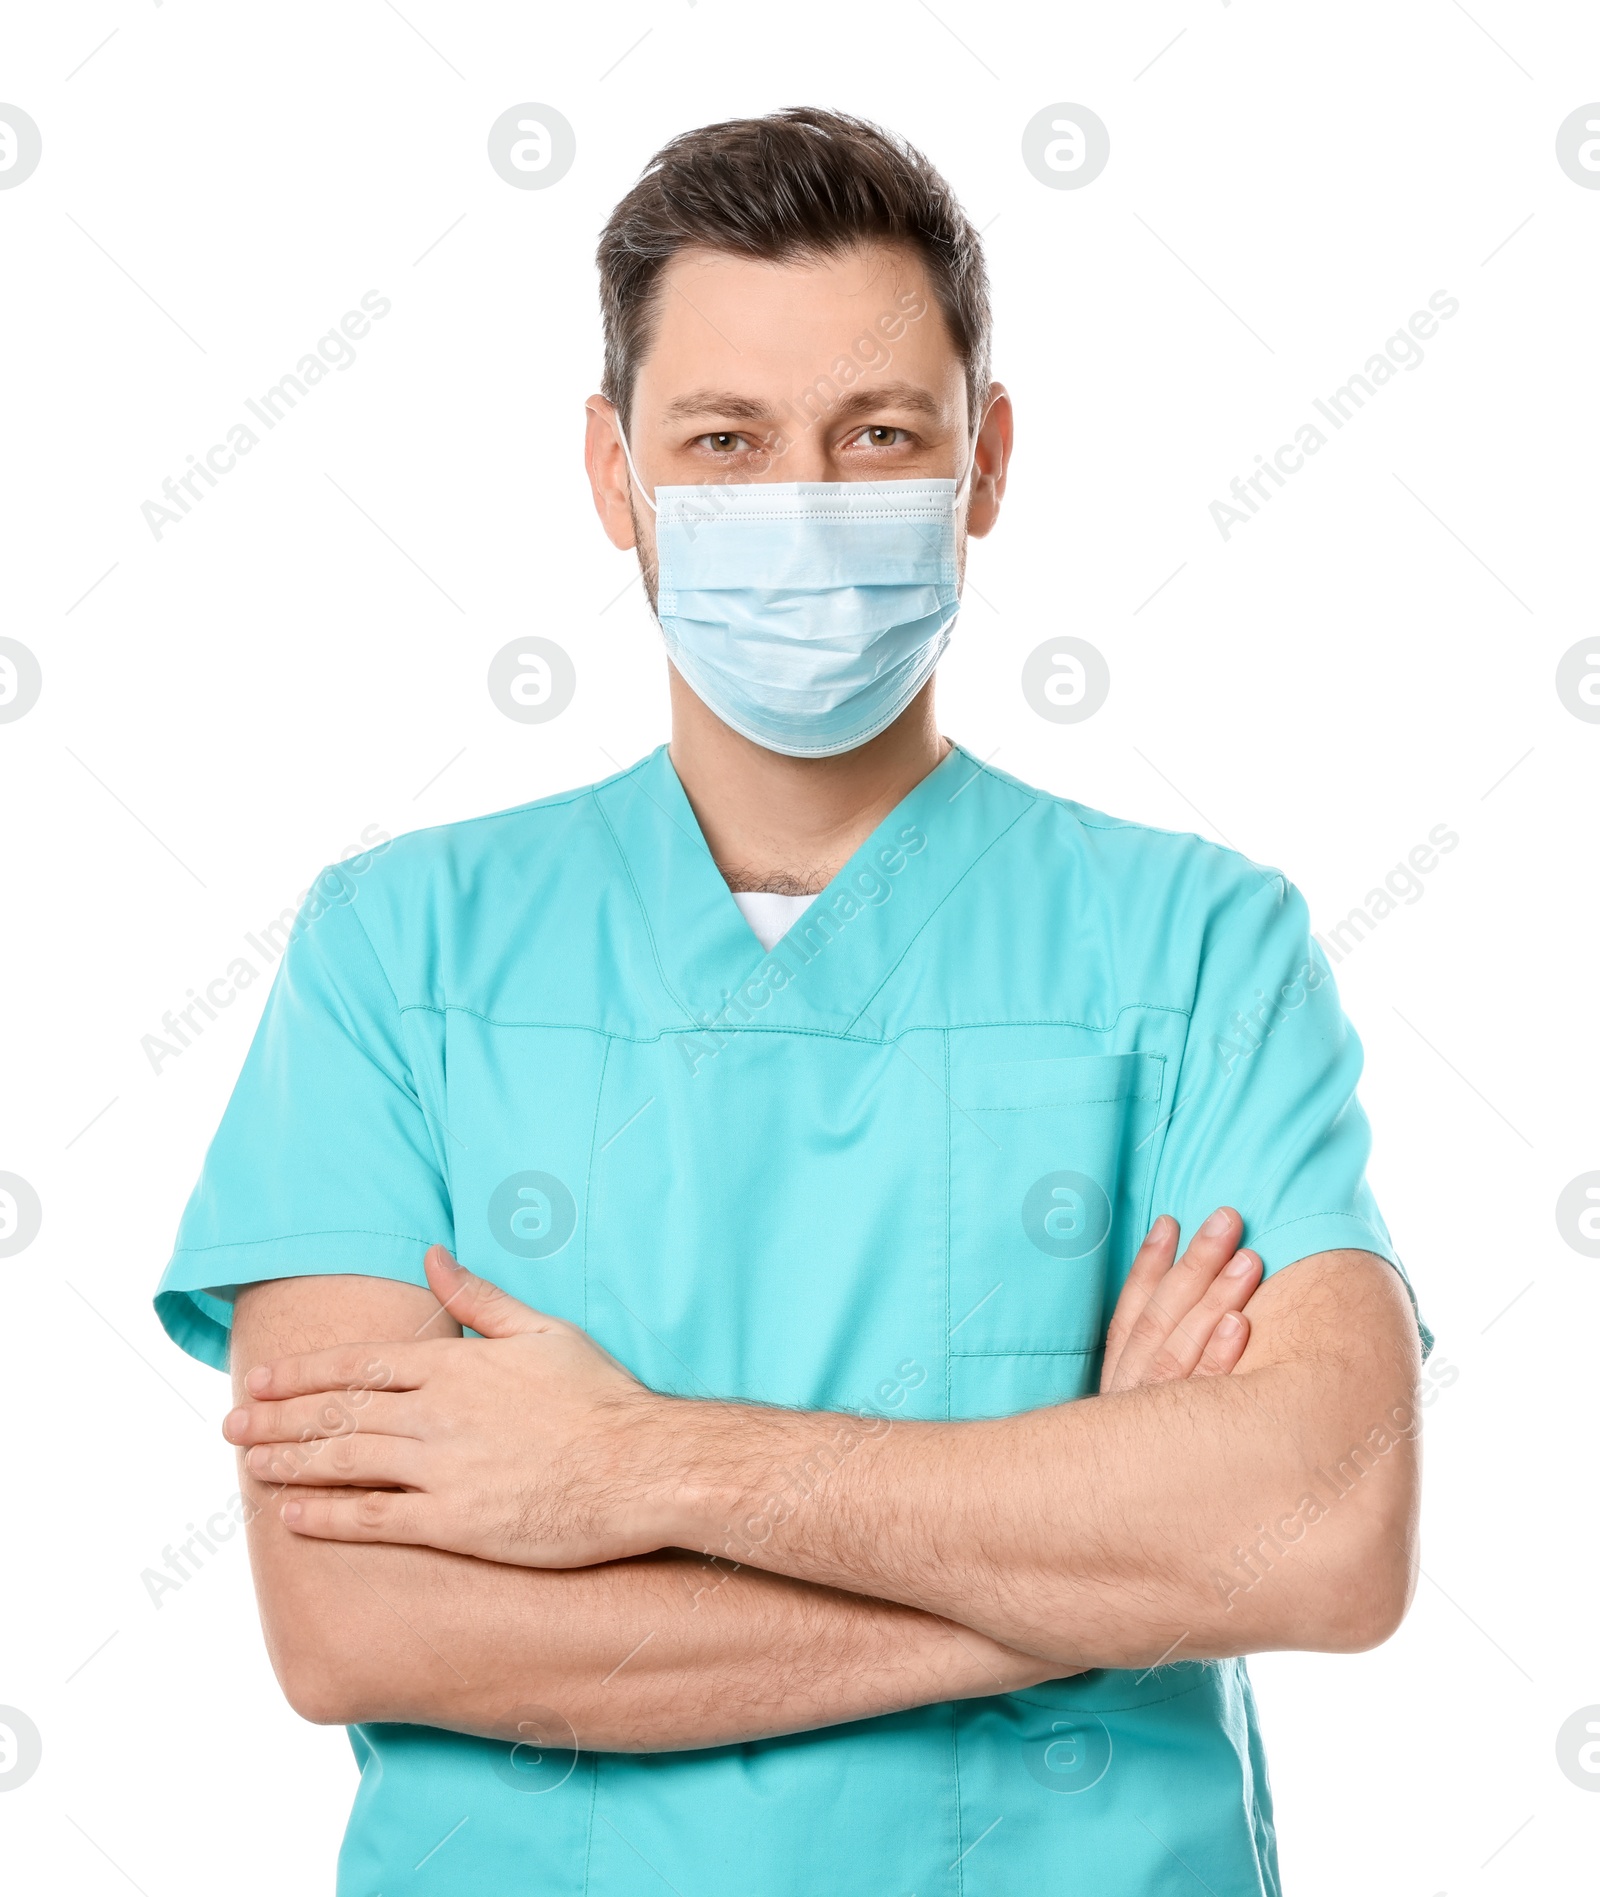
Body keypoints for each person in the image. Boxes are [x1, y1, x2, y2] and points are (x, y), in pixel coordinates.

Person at [155, 108, 1427, 1897]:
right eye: (727, 442)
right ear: (616, 475)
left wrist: (635, 1468)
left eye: (879, 437)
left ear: (985, 464)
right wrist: (1076, 1570)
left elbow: (1329, 1526)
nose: (806, 506)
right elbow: (359, 1619)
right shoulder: (402, 952)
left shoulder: (1197, 943)